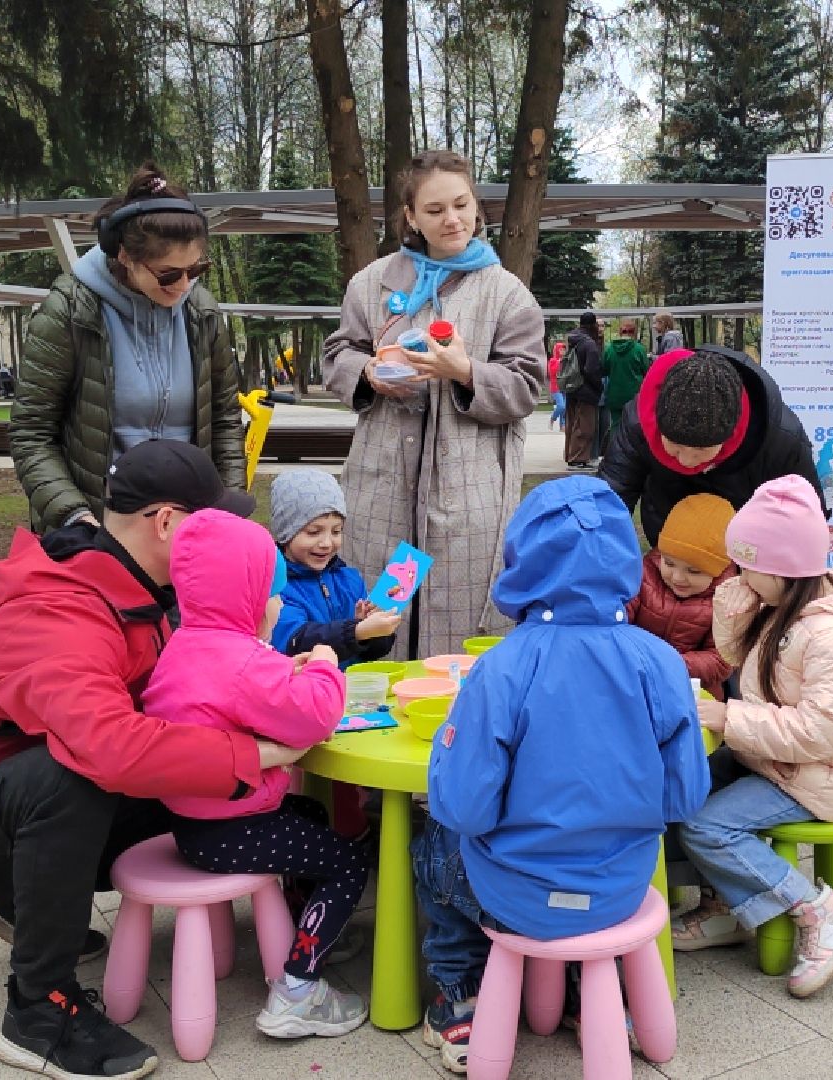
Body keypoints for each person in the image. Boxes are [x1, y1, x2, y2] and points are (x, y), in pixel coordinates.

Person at [0, 440, 293, 1080]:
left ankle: (303, 907)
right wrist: (254, 753)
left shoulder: (132, 592)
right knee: (78, 771)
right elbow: (110, 748)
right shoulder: (63, 610)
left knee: (182, 776)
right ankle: (37, 1015)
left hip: (9, 799)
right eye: (213, 521)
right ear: (167, 522)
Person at [414, 476, 711, 1074]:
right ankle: (585, 989)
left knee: (434, 844)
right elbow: (685, 797)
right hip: (621, 886)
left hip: (516, 894)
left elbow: (465, 807)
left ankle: (457, 991)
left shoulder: (502, 668)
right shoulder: (659, 660)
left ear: (522, 560)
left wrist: (446, 754)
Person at [141, 507, 371, 1040]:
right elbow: (315, 715)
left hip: (193, 822)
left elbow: (229, 694)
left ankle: (306, 927)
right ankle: (298, 989)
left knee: (310, 811)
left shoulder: (185, 643)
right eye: (275, 594)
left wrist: (284, 669)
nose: (279, 605)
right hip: (236, 827)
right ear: (246, 595)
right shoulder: (244, 660)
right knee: (348, 861)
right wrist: (322, 663)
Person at [672, 475, 833, 999]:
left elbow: (820, 735)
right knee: (681, 787)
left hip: (817, 775)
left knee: (707, 826)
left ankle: (818, 909)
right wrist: (739, 598)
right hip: (774, 757)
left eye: (747, 566)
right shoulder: (784, 609)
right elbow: (734, 654)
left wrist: (728, 718)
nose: (739, 576)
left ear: (784, 568)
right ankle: (729, 905)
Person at [321, 149, 546, 658]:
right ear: (411, 217)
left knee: (458, 636)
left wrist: (464, 372)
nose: (452, 220)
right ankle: (382, 698)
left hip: (466, 501)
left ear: (476, 206)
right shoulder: (372, 283)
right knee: (384, 620)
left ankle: (453, 705)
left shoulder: (505, 293)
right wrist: (368, 373)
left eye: (462, 205)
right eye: (435, 210)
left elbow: (527, 385)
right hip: (388, 495)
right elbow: (337, 354)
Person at [9, 164, 245, 532]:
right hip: (94, 527)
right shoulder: (69, 311)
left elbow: (226, 421)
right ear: (124, 255)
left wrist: (225, 515)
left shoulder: (203, 313)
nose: (184, 285)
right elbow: (31, 433)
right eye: (168, 273)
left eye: (195, 270)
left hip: (186, 530)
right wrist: (73, 516)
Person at [599, 345, 821, 550]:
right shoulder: (639, 421)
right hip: (668, 550)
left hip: (746, 555)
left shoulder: (780, 438)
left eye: (701, 451)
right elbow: (611, 498)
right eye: (675, 446)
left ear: (731, 434)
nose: (685, 461)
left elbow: (805, 522)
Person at [267, 468, 401, 664]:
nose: (326, 543)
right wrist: (356, 631)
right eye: (314, 532)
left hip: (352, 682)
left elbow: (373, 652)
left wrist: (376, 630)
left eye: (336, 531)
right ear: (284, 532)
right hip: (304, 682)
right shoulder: (276, 587)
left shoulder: (349, 580)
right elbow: (296, 642)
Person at [627, 493, 736, 702]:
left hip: (691, 691)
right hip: (635, 676)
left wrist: (669, 664)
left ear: (718, 570)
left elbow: (721, 661)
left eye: (693, 571)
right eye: (669, 563)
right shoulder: (644, 575)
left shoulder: (727, 600)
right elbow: (618, 616)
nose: (677, 577)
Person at [561, 311, 605, 468]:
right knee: (584, 426)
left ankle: (570, 455)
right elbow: (591, 370)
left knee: (572, 424)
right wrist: (599, 386)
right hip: (586, 390)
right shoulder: (589, 344)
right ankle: (578, 458)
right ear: (593, 325)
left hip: (571, 387)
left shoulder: (572, 340)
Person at [602, 317, 651, 437]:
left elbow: (604, 371)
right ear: (634, 332)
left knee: (616, 426)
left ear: (620, 331)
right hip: (634, 396)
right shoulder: (639, 349)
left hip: (614, 395)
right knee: (634, 427)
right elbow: (647, 372)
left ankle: (615, 447)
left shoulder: (609, 349)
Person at [547, 340, 567, 430]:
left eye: (564, 350)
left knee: (565, 407)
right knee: (561, 405)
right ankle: (552, 418)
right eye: (561, 350)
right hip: (556, 387)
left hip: (564, 386)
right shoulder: (553, 360)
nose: (563, 351)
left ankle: (562, 425)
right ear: (557, 350)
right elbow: (552, 373)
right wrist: (559, 362)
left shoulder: (566, 360)